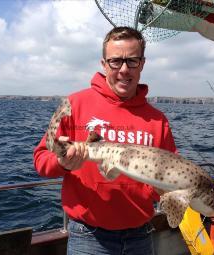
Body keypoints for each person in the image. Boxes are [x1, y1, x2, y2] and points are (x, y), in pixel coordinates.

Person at [34, 26, 177, 255]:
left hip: (141, 236)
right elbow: (41, 160)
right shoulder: (74, 105)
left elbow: (170, 177)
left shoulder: (157, 121)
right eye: (115, 61)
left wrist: (161, 190)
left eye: (132, 61)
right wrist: (62, 163)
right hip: (88, 238)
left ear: (142, 64)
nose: (123, 69)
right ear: (103, 64)